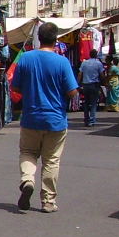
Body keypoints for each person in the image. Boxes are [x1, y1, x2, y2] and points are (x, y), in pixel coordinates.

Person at [10, 21, 79, 213]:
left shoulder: (25, 58)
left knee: (28, 152)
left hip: (31, 117)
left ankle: (27, 180)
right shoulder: (62, 62)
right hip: (55, 119)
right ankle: (48, 201)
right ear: (56, 40)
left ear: (38, 38)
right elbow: (72, 91)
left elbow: (15, 87)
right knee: (51, 160)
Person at [77, 49, 105, 127]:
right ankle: (92, 120)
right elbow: (101, 75)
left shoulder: (84, 63)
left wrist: (78, 84)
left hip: (85, 85)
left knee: (86, 103)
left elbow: (80, 74)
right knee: (93, 103)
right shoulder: (98, 63)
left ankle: (86, 119)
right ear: (96, 55)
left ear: (90, 55)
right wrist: (104, 82)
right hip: (94, 85)